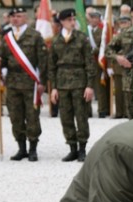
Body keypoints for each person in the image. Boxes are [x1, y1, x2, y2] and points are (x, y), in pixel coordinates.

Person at [0, 7, 47, 162]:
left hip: (30, 83)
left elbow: (43, 61)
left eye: (19, 16)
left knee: (32, 116)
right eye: (13, 16)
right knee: (15, 116)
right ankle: (21, 148)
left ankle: (33, 148)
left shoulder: (35, 36)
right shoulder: (7, 37)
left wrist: (42, 82)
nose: (15, 19)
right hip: (13, 83)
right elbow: (3, 58)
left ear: (26, 18)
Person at [49, 9, 95, 162]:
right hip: (62, 84)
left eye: (74, 19)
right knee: (66, 117)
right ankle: (72, 148)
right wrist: (53, 88)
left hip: (79, 83)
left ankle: (82, 148)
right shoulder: (56, 41)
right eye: (69, 20)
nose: (73, 22)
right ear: (62, 22)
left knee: (81, 116)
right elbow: (51, 66)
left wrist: (89, 86)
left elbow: (90, 63)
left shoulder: (82, 38)